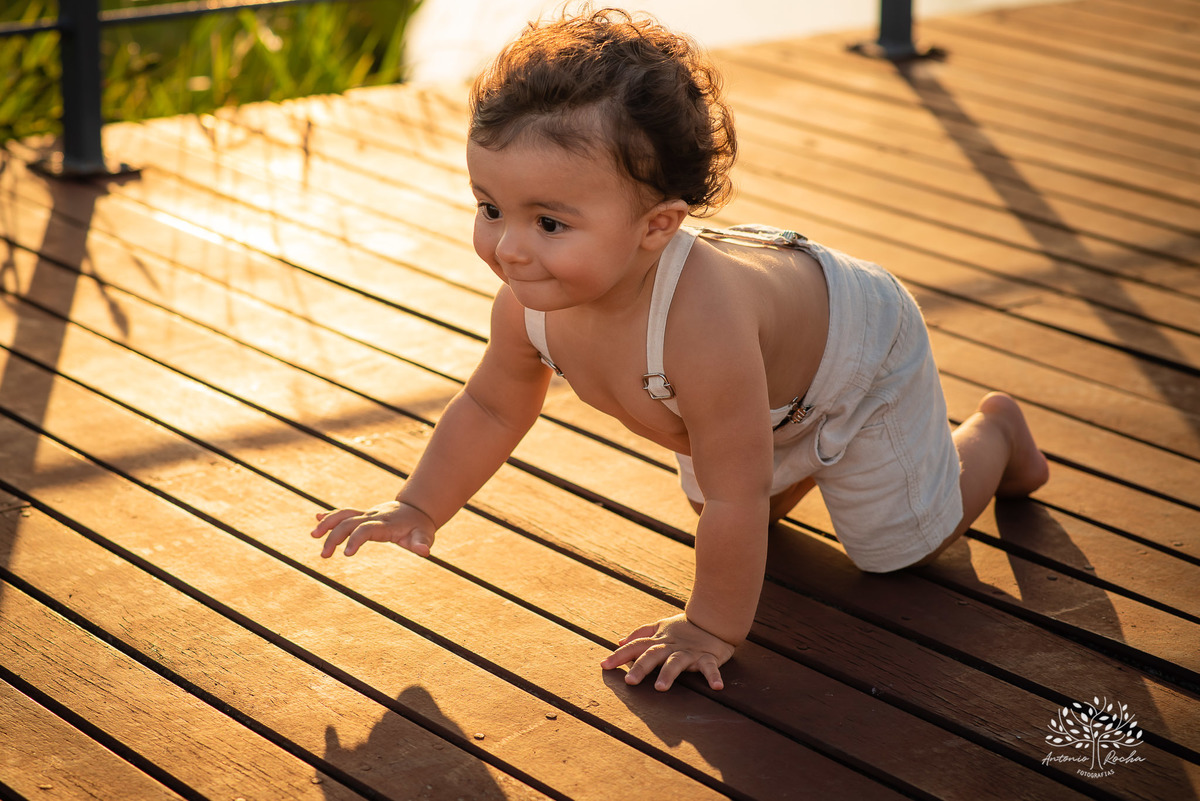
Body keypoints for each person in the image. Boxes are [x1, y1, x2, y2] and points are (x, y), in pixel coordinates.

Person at [310, 7, 1049, 693]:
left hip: (857, 350)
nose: (508, 248)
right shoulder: (528, 305)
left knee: (891, 551)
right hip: (770, 386)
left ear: (658, 226)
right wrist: (418, 505)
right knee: (728, 503)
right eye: (490, 207)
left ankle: (997, 435)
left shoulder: (702, 328)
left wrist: (708, 627)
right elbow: (492, 405)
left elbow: (733, 493)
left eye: (550, 223)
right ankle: (808, 461)